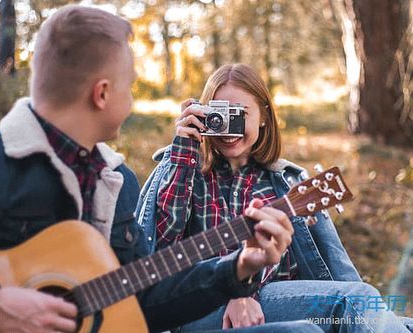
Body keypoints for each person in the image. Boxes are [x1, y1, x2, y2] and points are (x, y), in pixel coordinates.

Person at [0, 5, 326, 333]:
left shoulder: (116, 184)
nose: (131, 101)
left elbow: (145, 298)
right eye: (129, 87)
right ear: (103, 94)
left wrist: (237, 268)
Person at [136, 63, 412, 332]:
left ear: (264, 117)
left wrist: (244, 290)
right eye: (218, 114)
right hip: (197, 307)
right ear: (201, 114)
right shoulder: (185, 172)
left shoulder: (283, 183)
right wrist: (183, 154)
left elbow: (329, 269)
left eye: (239, 114)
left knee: (365, 309)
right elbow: (159, 249)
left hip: (272, 300)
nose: (229, 129)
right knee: (354, 301)